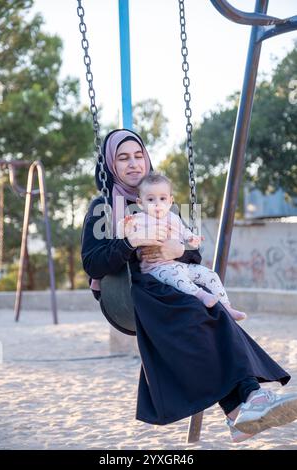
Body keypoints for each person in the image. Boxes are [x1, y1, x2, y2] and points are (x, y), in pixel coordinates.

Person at [81, 129, 297, 443]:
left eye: (138, 155)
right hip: (131, 294)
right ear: (111, 165)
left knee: (214, 315)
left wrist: (177, 251)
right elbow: (93, 263)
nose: (133, 164)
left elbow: (193, 254)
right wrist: (129, 242)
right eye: (123, 157)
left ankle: (243, 409)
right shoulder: (103, 208)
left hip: (170, 283)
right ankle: (247, 400)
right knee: (200, 312)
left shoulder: (164, 204)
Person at [117, 171, 246, 321]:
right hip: (156, 269)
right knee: (176, 276)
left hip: (178, 263)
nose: (158, 204)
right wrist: (125, 224)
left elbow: (184, 232)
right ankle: (201, 295)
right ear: (140, 203)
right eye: (151, 199)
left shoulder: (173, 217)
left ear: (170, 201)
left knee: (210, 274)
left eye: (162, 198)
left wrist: (192, 238)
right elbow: (124, 234)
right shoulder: (139, 219)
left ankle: (227, 307)